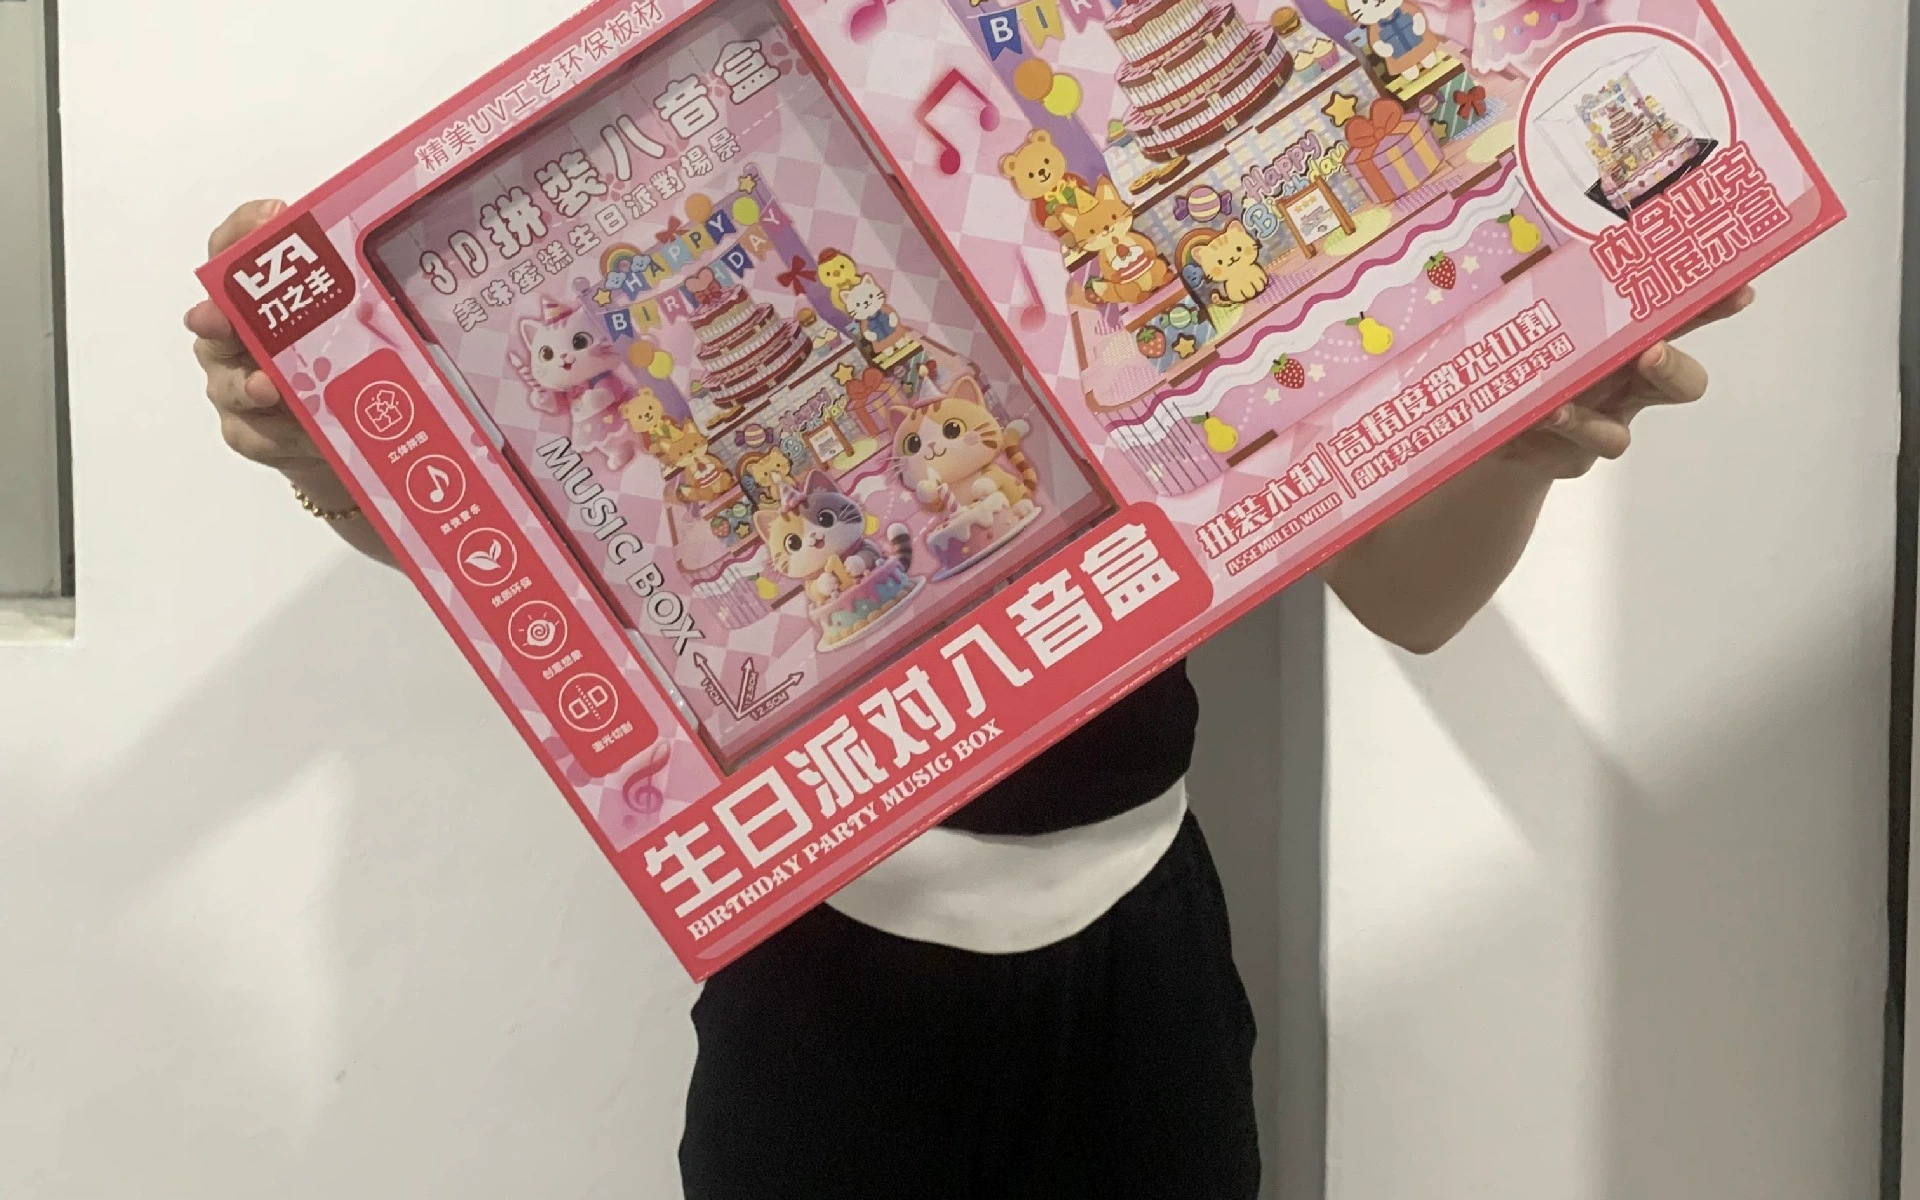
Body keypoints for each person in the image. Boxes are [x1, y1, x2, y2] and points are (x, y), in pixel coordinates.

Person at [187, 196, 1751, 1199]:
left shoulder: (1140, 255)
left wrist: (1522, 435)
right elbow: (579, 596)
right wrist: (352, 467)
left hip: (1141, 951)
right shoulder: (723, 307)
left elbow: (1410, 598)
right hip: (821, 967)